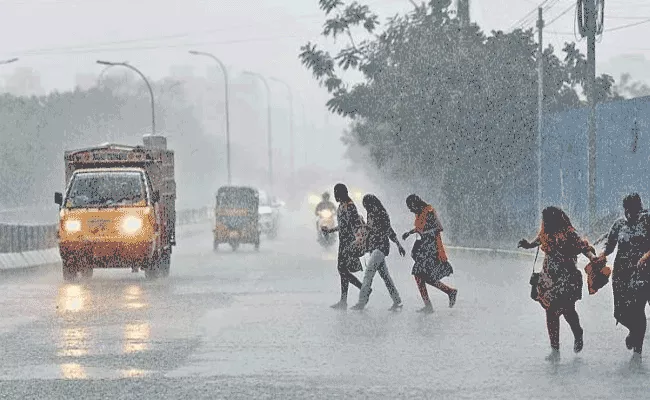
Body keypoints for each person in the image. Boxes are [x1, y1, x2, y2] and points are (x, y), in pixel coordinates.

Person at [518, 206, 597, 362]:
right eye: (544, 220)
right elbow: (538, 240)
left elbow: (583, 247)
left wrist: (592, 258)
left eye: (547, 220)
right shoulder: (545, 233)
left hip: (566, 278)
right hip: (549, 278)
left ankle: (577, 332)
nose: (545, 222)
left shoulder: (569, 233)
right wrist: (528, 245)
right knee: (550, 311)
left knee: (568, 310)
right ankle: (555, 349)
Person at [595, 193, 650, 360]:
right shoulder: (619, 224)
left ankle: (637, 349)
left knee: (638, 308)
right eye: (628, 210)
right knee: (621, 312)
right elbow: (610, 245)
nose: (631, 213)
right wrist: (602, 256)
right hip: (621, 273)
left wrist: (646, 256)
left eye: (634, 209)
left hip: (642, 273)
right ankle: (633, 331)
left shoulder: (647, 221)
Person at [402, 194, 458, 314]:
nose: (410, 210)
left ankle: (432, 303)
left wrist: (426, 234)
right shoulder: (419, 213)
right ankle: (448, 292)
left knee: (419, 274)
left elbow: (438, 227)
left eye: (411, 207)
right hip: (423, 248)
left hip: (431, 248)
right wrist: (410, 232)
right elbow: (419, 228)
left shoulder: (429, 211)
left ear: (415, 204)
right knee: (423, 277)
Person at [351, 194, 406, 311]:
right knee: (386, 277)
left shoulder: (382, 214)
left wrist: (398, 244)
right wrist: (364, 226)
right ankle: (397, 301)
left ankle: (362, 302)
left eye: (366, 205)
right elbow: (370, 229)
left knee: (368, 274)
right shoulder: (370, 213)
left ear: (372, 203)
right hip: (373, 247)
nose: (366, 208)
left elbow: (389, 230)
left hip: (381, 247)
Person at [321, 183, 364, 309]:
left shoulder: (350, 207)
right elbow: (342, 226)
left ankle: (363, 289)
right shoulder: (341, 206)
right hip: (343, 242)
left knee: (342, 270)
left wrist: (357, 242)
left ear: (342, 193)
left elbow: (354, 225)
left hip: (349, 243)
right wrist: (330, 230)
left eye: (336, 192)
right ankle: (344, 300)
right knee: (343, 270)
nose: (335, 195)